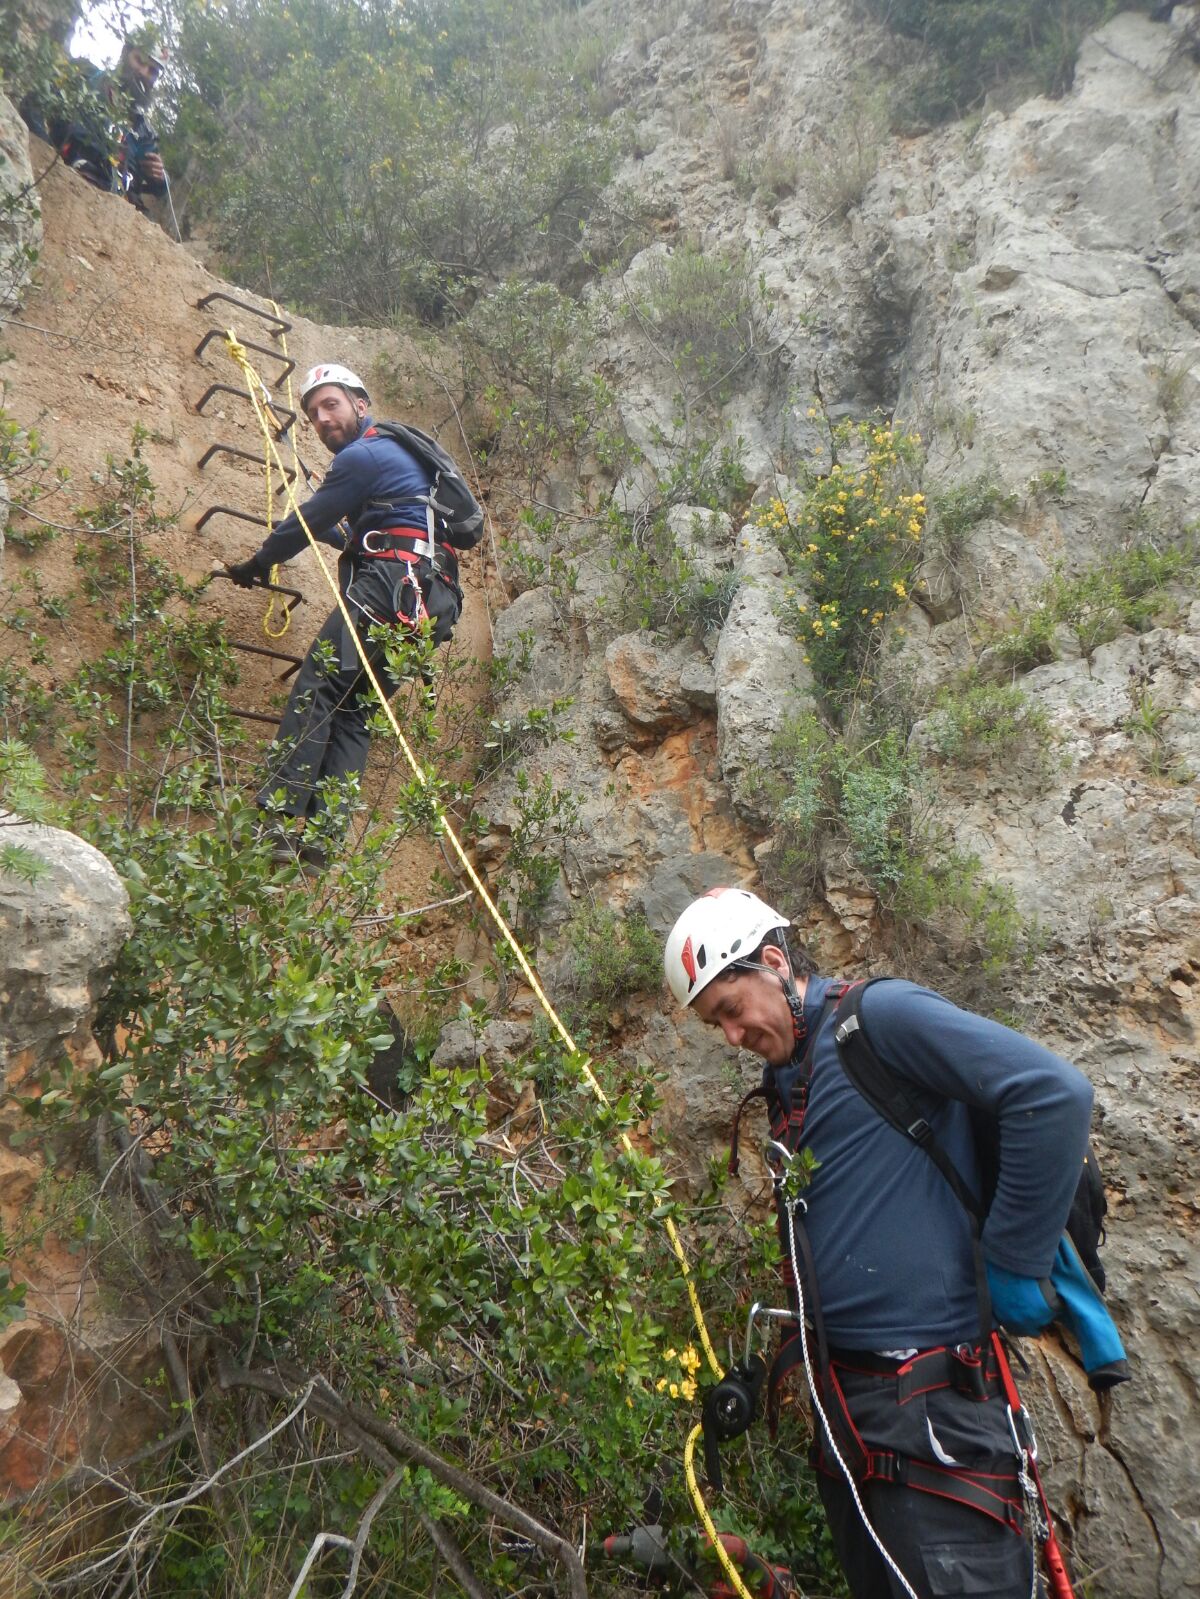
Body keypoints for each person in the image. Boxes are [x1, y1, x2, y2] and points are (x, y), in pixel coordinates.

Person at [663, 886, 1124, 1599]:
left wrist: (1012, 1263)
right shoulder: (790, 1076)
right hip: (857, 1428)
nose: (729, 1034)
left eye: (730, 1009)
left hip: (935, 1423)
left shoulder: (877, 1019)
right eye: (713, 1024)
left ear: (775, 962)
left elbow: (1052, 1093)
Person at [224, 363, 470, 867]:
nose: (321, 419)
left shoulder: (364, 456)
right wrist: (325, 532)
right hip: (431, 602)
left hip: (389, 587)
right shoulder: (400, 461)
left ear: (361, 404)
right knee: (356, 711)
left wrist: (258, 563)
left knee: (319, 685)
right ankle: (322, 843)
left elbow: (309, 522)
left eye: (330, 405)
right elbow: (373, 532)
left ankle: (275, 817)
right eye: (313, 414)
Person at [28, 28, 169, 206]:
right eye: (140, 60)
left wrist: (160, 177)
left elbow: (162, 186)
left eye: (153, 71)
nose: (143, 72)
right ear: (125, 52)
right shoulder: (84, 75)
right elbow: (35, 102)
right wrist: (44, 152)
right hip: (64, 182)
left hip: (119, 211)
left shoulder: (142, 129)